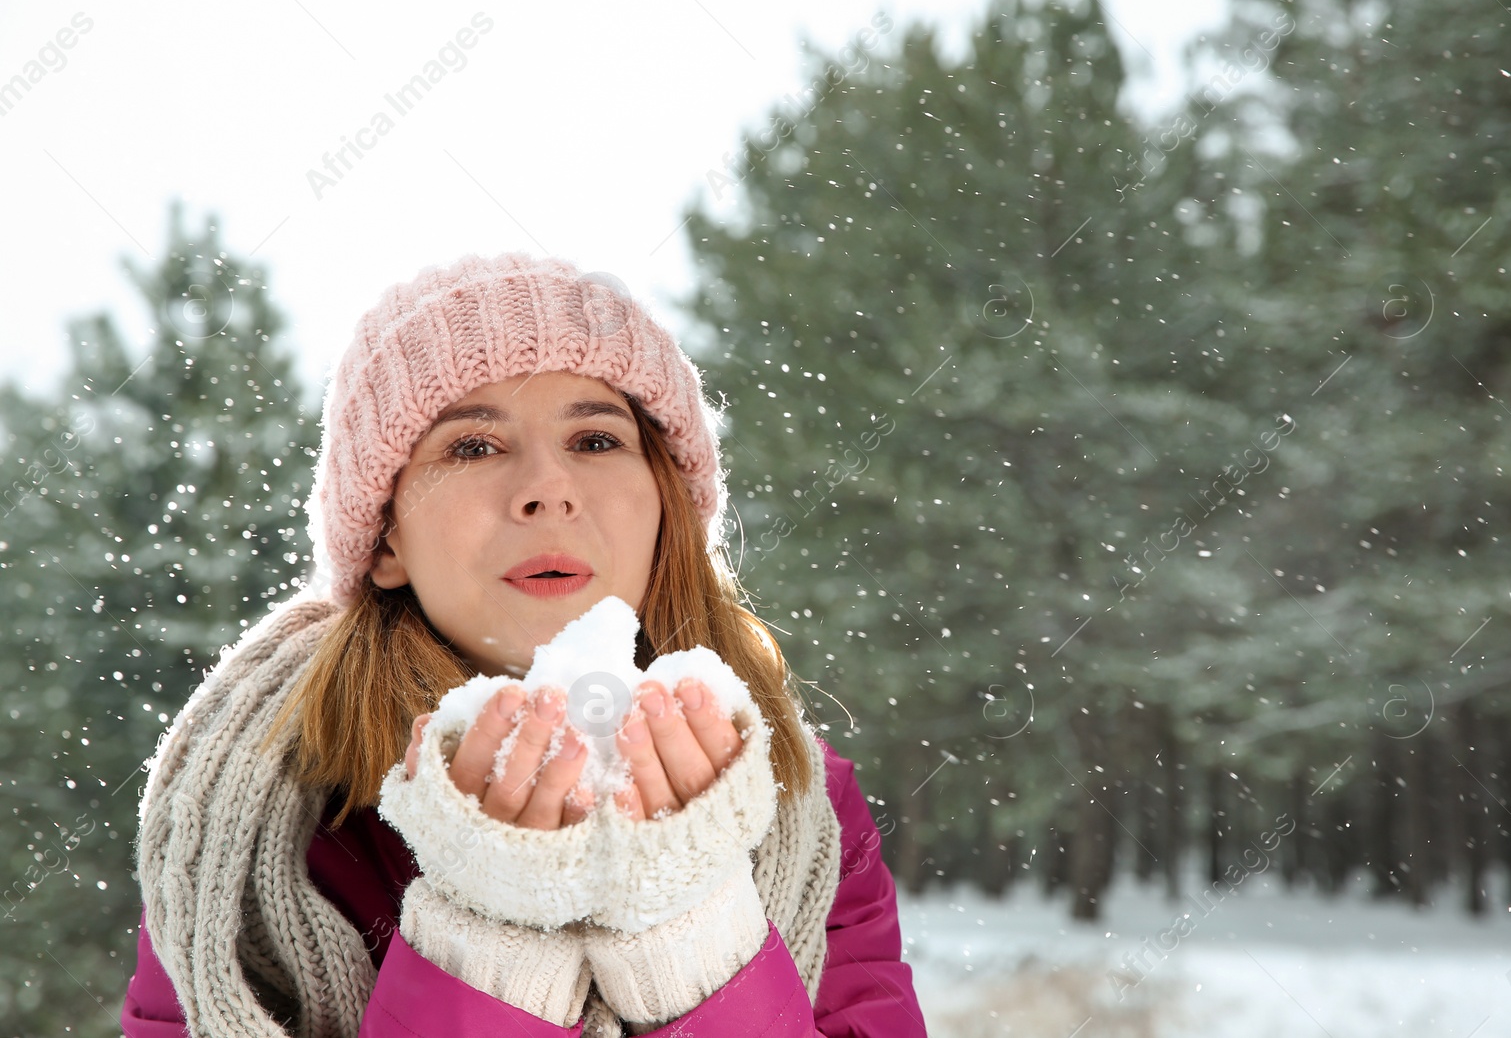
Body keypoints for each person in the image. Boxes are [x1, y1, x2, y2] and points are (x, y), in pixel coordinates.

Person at [120, 253, 928, 1037]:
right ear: (386, 539)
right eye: (472, 446)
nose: (548, 488)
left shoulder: (802, 797)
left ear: (665, 507)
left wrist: (688, 930)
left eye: (597, 440)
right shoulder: (245, 821)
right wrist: (490, 936)